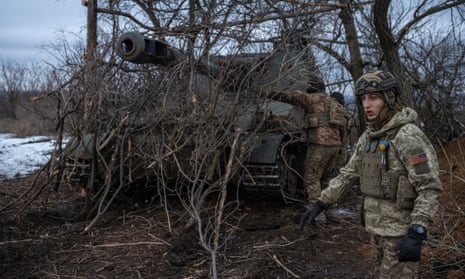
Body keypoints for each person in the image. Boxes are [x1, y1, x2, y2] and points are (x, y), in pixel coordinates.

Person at [301, 70, 443, 278]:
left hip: (400, 234)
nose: (366, 104)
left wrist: (418, 230)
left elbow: (429, 186)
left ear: (390, 99)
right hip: (376, 230)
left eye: (374, 98)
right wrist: (321, 202)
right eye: (363, 99)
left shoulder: (407, 137)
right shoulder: (369, 137)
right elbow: (348, 174)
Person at [259, 73, 345, 223]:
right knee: (326, 180)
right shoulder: (334, 103)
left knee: (312, 179)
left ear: (310, 88)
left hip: (319, 144)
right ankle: (331, 211)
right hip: (334, 145)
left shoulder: (312, 99)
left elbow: (290, 97)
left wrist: (266, 93)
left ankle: (316, 213)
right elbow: (343, 127)